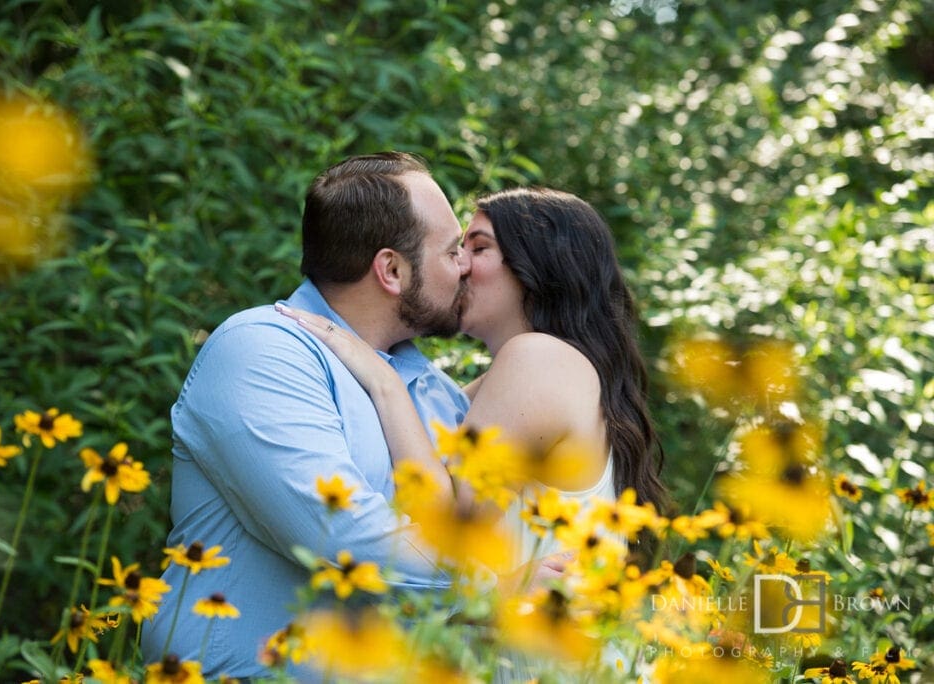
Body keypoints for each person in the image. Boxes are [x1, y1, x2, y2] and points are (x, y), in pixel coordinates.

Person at [283, 186, 668, 679]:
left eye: (479, 247)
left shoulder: (539, 360)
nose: (459, 263)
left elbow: (448, 526)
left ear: (537, 267)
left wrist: (382, 379)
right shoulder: (522, 377)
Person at [141, 152, 478, 679]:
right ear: (391, 269)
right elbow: (342, 537)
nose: (466, 266)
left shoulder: (435, 391)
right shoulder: (261, 352)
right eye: (453, 249)